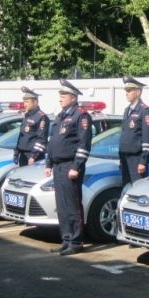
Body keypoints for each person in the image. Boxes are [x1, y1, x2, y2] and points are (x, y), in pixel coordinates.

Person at [44, 79, 92, 255]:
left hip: (70, 166)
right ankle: (66, 238)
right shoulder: (61, 115)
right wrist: (49, 163)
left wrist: (77, 166)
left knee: (72, 205)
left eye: (63, 96)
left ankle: (76, 241)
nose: (60, 99)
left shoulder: (81, 116)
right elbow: (52, 142)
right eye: (60, 96)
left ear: (73, 97)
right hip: (58, 166)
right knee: (62, 206)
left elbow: (83, 144)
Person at [118, 75, 149, 187]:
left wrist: (143, 161)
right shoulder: (127, 110)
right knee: (126, 189)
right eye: (126, 91)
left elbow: (147, 138)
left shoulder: (144, 110)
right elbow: (125, 134)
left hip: (137, 159)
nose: (127, 93)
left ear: (138, 92)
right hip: (125, 158)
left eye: (129, 90)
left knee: (138, 189)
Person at [14, 86, 49, 166]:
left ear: (35, 102)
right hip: (23, 155)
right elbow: (22, 136)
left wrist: (34, 156)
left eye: (27, 102)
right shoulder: (27, 115)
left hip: (34, 157)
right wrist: (17, 151)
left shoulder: (41, 117)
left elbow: (42, 139)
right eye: (24, 102)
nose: (24, 104)